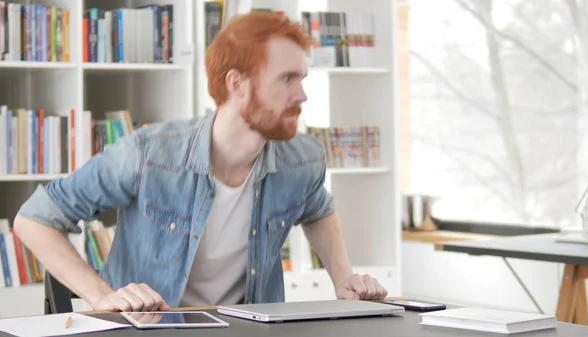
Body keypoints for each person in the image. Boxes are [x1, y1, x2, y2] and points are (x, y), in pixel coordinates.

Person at [13, 11, 388, 312]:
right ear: (236, 84)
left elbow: (318, 209)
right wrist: (101, 297)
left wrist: (344, 279)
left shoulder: (302, 160)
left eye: (303, 79)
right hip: (147, 329)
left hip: (247, 327)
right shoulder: (150, 153)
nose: (302, 94)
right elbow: (33, 219)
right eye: (287, 79)